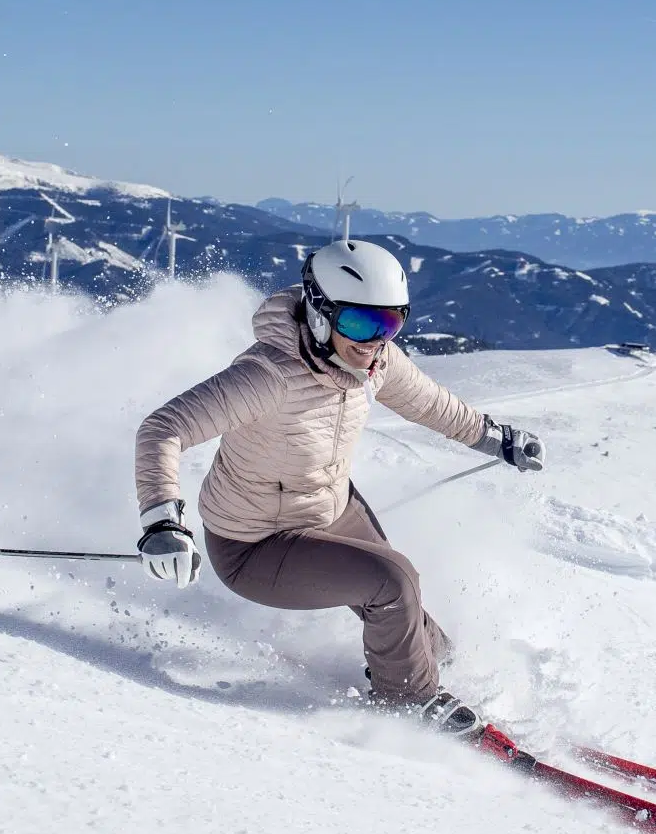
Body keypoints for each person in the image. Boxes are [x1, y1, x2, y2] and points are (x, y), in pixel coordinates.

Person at [133, 239, 543, 736]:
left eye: (390, 323)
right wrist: (160, 521)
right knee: (391, 581)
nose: (374, 340)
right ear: (320, 312)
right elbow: (165, 427)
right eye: (359, 323)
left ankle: (433, 669)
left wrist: (495, 438)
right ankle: (408, 701)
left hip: (330, 507)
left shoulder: (375, 360)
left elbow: (430, 403)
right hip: (255, 544)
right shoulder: (267, 376)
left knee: (411, 613)